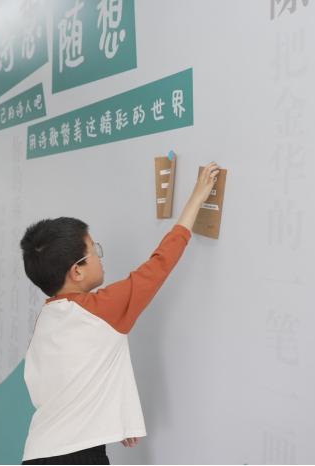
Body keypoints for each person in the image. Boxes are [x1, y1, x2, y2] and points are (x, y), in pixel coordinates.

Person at [19, 163, 222, 465]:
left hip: (40, 451)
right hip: (77, 457)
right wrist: (196, 198)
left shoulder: (48, 317)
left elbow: (73, 379)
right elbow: (159, 264)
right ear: (77, 271)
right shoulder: (100, 309)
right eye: (94, 251)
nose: (100, 257)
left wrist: (112, 417)